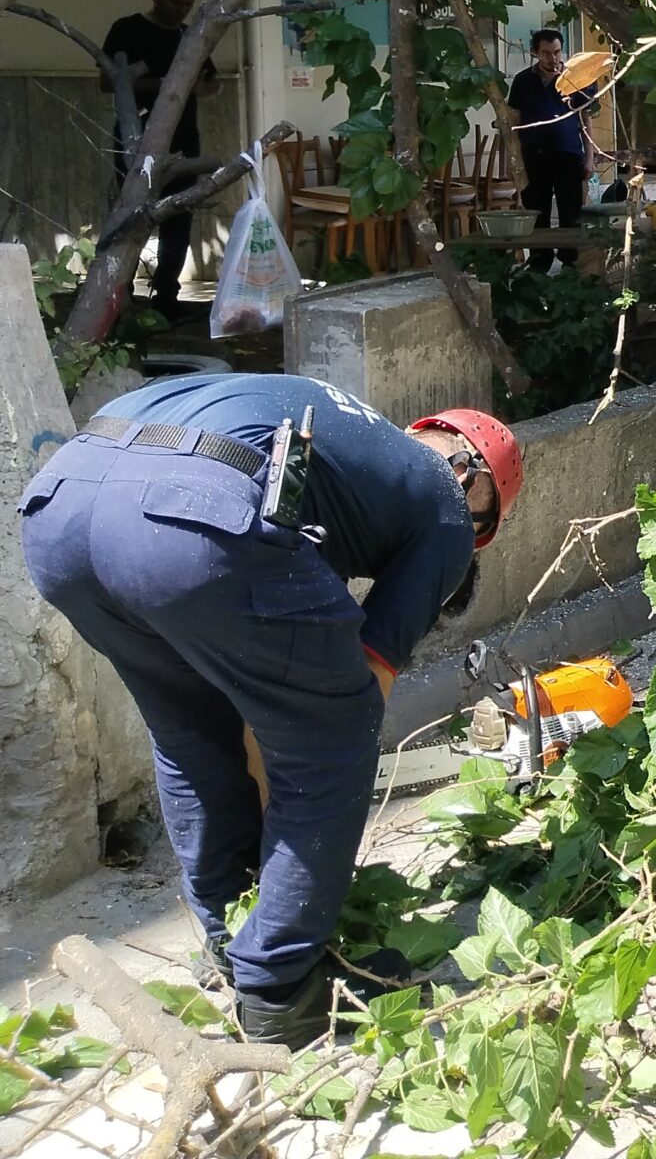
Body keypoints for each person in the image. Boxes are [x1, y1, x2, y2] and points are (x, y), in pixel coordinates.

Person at [17, 375, 522, 1047]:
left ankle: (233, 943)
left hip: (60, 508)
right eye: (484, 529)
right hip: (191, 512)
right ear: (474, 488)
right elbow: (357, 692)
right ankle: (281, 990)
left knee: (192, 732)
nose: (472, 544)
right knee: (337, 736)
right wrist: (309, 808)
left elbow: (271, 685)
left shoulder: (344, 439)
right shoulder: (445, 511)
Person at [101, 0, 218, 312]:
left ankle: (167, 295)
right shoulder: (127, 30)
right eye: (174, 1)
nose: (180, 10)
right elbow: (108, 83)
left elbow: (213, 82)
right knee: (130, 215)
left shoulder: (190, 36)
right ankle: (118, 294)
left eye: (187, 4)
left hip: (184, 138)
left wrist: (198, 87)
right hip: (134, 137)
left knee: (179, 216)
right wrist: (165, 86)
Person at [507, 28, 592, 270]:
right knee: (536, 214)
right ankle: (539, 265)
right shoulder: (523, 81)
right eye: (545, 53)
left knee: (571, 213)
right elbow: (513, 122)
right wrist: (511, 159)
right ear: (535, 53)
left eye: (556, 52)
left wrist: (589, 157)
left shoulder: (575, 79)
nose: (552, 59)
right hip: (533, 156)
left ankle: (570, 265)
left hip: (568, 155)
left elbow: (586, 120)